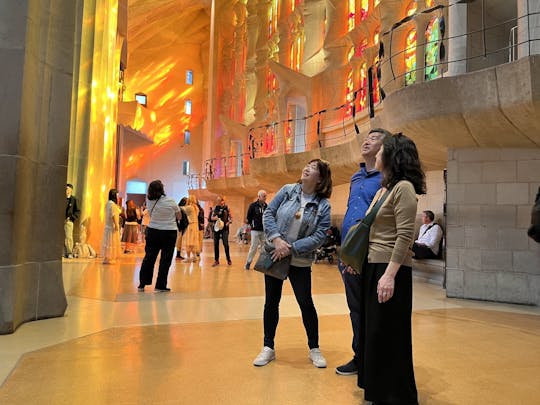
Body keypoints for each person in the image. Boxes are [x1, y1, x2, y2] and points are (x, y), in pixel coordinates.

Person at [357, 133, 425, 405]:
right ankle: (379, 392)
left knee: (390, 334)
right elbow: (370, 228)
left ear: (393, 156)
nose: (377, 154)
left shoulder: (404, 188)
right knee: (375, 332)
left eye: (382, 149)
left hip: (391, 268)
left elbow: (405, 235)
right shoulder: (385, 188)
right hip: (375, 264)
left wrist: (389, 275)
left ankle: (396, 396)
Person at [253, 159, 332, 368]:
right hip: (275, 254)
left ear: (321, 178)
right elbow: (269, 213)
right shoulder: (288, 190)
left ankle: (314, 348)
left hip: (299, 260)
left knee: (305, 303)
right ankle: (268, 347)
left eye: (313, 168)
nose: (307, 168)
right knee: (271, 302)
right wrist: (277, 239)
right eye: (307, 165)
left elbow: (319, 236)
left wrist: (291, 248)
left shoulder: (323, 205)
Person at [336, 128, 389, 376]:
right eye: (366, 137)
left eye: (374, 138)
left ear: (386, 147)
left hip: (371, 255)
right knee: (355, 308)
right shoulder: (356, 176)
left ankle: (374, 360)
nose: (367, 140)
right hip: (349, 254)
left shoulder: (387, 178)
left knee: (372, 310)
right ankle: (360, 357)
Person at [138, 180, 181, 292]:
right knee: (165, 260)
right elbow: (179, 216)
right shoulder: (171, 201)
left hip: (153, 231)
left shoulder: (149, 201)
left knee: (149, 258)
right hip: (169, 232)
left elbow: (151, 214)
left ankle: (142, 284)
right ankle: (160, 285)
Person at [245, 190, 268, 270]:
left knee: (264, 247)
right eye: (264, 196)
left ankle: (262, 264)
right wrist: (252, 224)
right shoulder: (253, 205)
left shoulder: (266, 206)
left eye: (266, 196)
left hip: (264, 230)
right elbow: (248, 217)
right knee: (253, 247)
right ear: (259, 197)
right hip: (255, 230)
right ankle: (248, 262)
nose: (265, 198)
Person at [101, 189, 121, 264]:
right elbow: (113, 215)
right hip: (111, 226)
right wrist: (116, 225)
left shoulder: (108, 203)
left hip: (107, 226)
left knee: (107, 241)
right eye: (117, 195)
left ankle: (106, 258)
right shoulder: (112, 204)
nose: (118, 196)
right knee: (111, 241)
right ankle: (109, 258)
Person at [211, 196, 233, 266]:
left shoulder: (227, 208)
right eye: (219, 201)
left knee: (226, 244)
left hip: (225, 229)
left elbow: (231, 218)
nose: (220, 202)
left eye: (221, 200)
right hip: (217, 228)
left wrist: (228, 222)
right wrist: (215, 218)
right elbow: (211, 217)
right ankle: (216, 260)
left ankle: (228, 259)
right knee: (216, 244)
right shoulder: (215, 208)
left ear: (224, 201)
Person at [182, 195, 200, 262]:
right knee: (194, 242)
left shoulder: (189, 207)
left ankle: (188, 257)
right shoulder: (196, 208)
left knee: (188, 242)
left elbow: (181, 209)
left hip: (191, 225)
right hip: (195, 226)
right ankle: (195, 256)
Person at [64, 183, 81, 258]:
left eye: (67, 188)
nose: (66, 190)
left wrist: (71, 218)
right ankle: (62, 252)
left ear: (71, 190)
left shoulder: (73, 199)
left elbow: (77, 211)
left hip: (69, 221)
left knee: (69, 237)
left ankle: (69, 252)